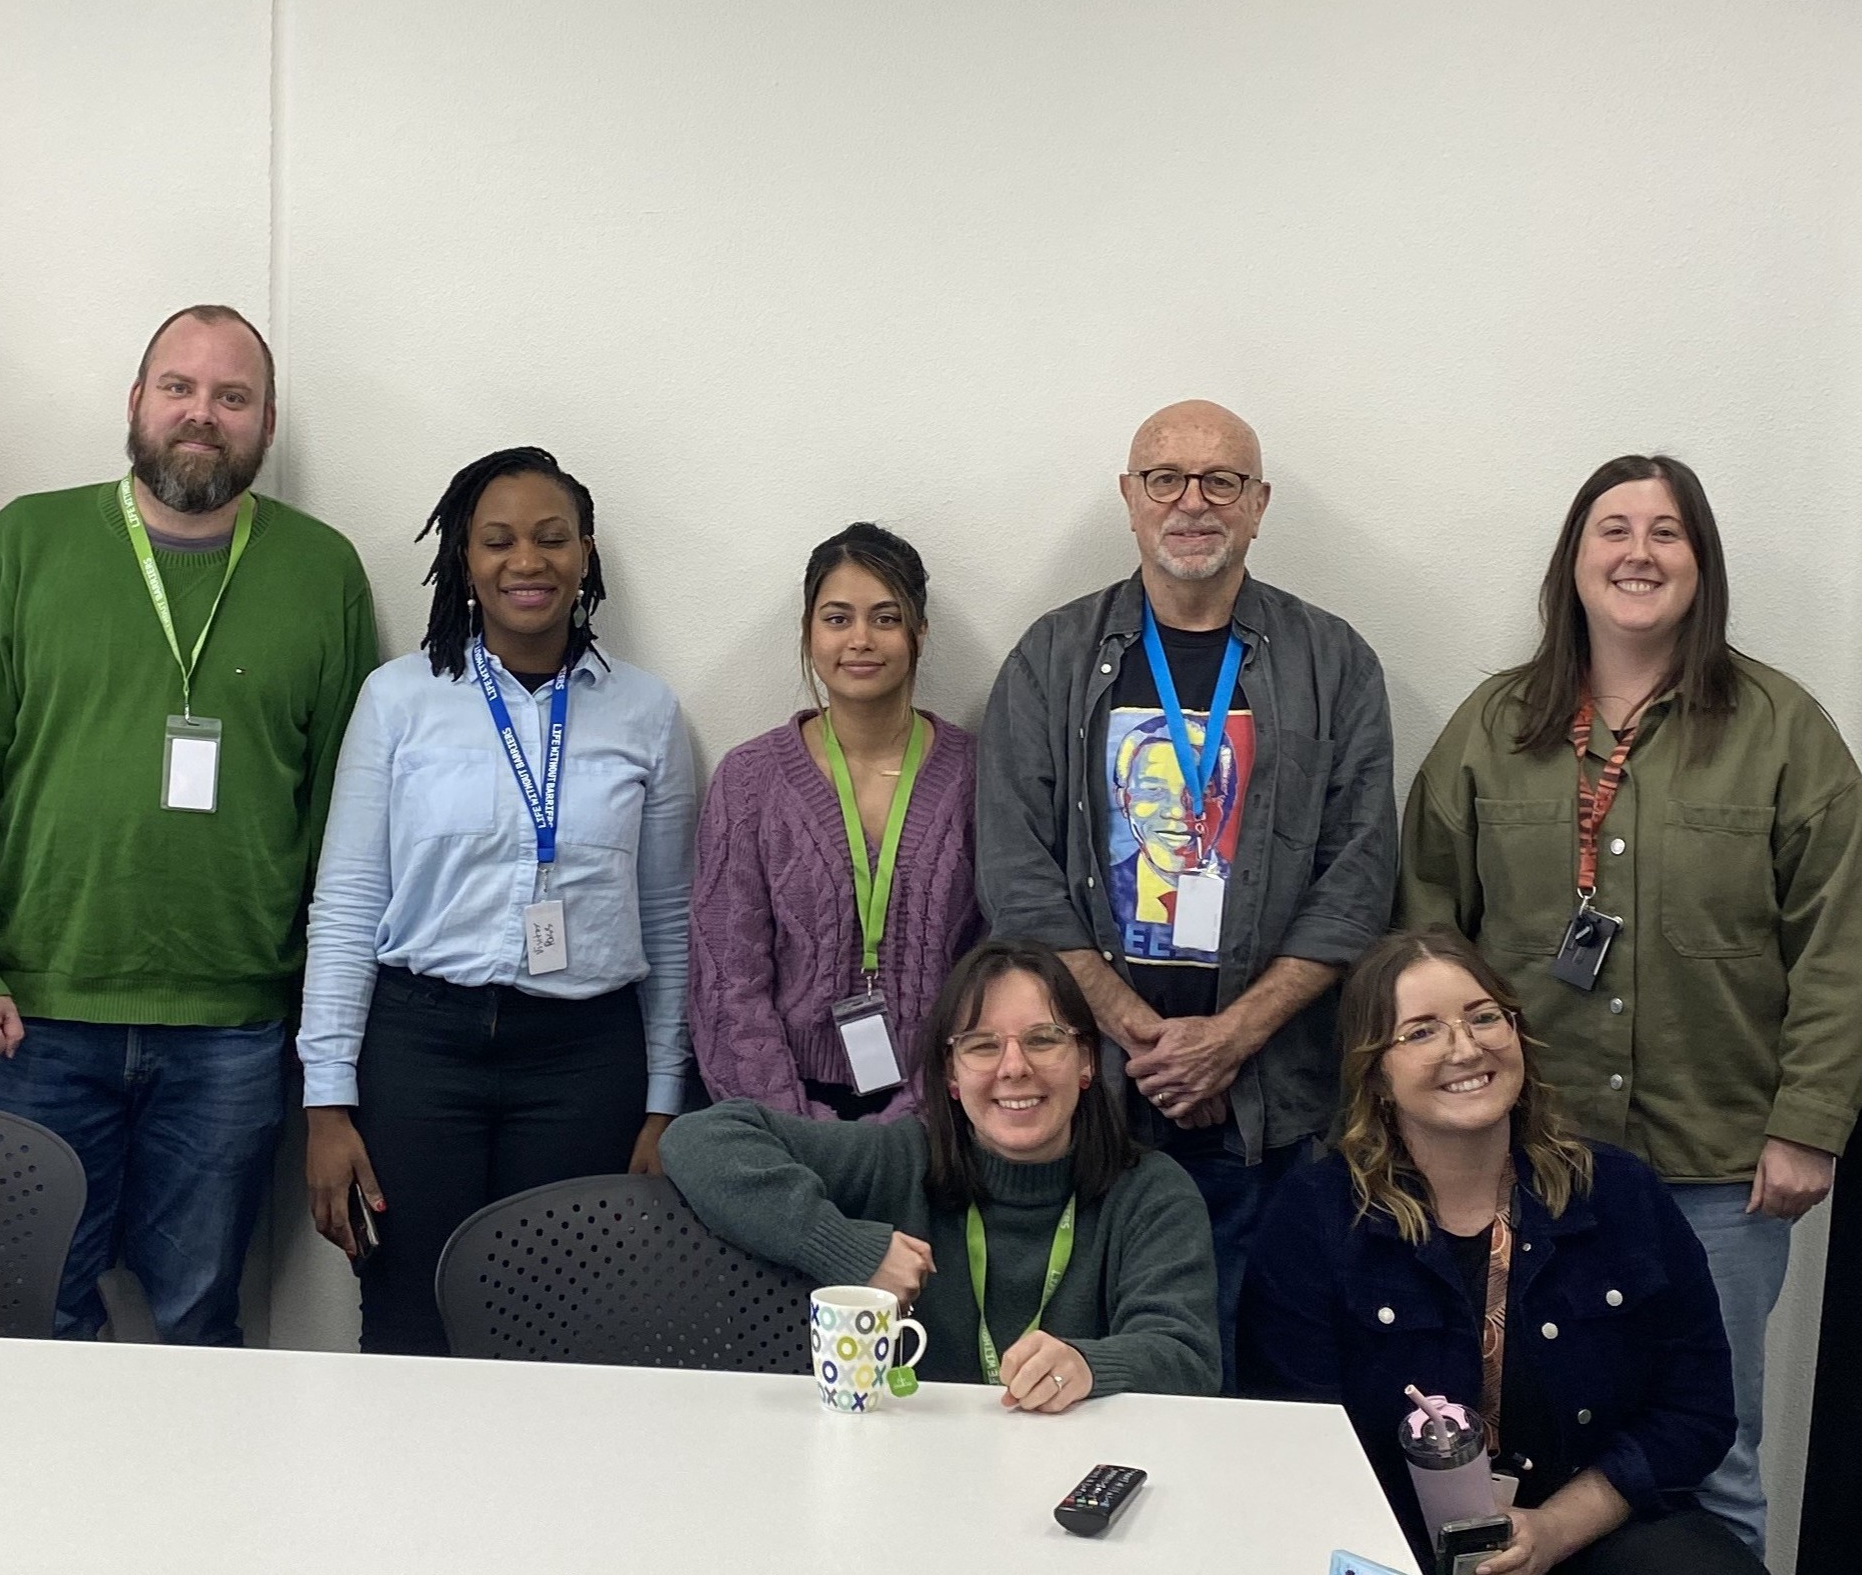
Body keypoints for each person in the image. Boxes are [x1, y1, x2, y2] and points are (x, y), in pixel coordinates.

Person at [1400, 453, 1862, 1554]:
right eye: (1613, 529)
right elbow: (1424, 931)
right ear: (1573, 563)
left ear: (1700, 563)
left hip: (1719, 1169)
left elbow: (1845, 936)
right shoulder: (1495, 726)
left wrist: (1810, 1120)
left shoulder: (1780, 728)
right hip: (1522, 1161)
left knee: (1714, 1453)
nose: (1638, 552)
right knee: (1499, 1430)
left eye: (1667, 532)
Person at [0, 303, 382, 1344]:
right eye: (178, 387)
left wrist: (319, 1016)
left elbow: (344, 818)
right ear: (136, 402)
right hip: (34, 1011)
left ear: (263, 424)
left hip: (235, 1028)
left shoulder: (323, 569)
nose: (200, 415)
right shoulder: (30, 538)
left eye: (231, 396)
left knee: (198, 1315)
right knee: (32, 1312)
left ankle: (193, 1508)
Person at [975, 398, 1396, 1383]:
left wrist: (1232, 1035)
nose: (1192, 501)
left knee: (1259, 1369)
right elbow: (1016, 874)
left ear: (1258, 506)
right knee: (1081, 1362)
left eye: (1222, 481)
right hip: (1089, 1096)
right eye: (1165, 477)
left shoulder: (1333, 663)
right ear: (1129, 497)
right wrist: (1139, 1032)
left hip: (1270, 1108)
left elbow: (1359, 874)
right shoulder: (1051, 658)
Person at [296, 447, 696, 1354]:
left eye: (552, 539)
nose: (528, 561)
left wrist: (666, 1102)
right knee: (409, 1319)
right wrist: (326, 1103)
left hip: (585, 1061)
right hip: (418, 1050)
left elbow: (672, 921)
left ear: (586, 554)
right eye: (499, 540)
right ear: (464, 562)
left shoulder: (647, 713)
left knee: (565, 1331)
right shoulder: (398, 700)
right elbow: (349, 901)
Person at [1240, 929, 1755, 1575]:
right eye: (1422, 1031)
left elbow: (1695, 1409)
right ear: (1375, 1072)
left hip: (1583, 1531)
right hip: (1384, 1544)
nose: (1466, 1046)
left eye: (1484, 1017)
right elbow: (1294, 1441)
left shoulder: (1620, 1194)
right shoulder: (1315, 1218)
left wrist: (1556, 1529)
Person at [661, 939, 1219, 1405]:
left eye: (1043, 1039)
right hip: (910, 1479)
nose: (1014, 1068)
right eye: (981, 1046)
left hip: (1071, 1474)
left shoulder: (1152, 1192)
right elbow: (700, 1138)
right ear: (951, 1076)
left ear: (1087, 1062)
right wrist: (846, 1250)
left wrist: (1090, 1364)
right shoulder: (901, 1159)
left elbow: (1188, 1358)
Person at [691, 522, 983, 1124]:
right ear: (808, 630)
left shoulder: (977, 776)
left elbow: (994, 968)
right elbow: (729, 981)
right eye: (837, 618)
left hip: (948, 1110)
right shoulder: (749, 781)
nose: (860, 640)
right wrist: (792, 1128)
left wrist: (918, 1121)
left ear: (919, 632)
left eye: (885, 617)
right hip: (779, 1114)